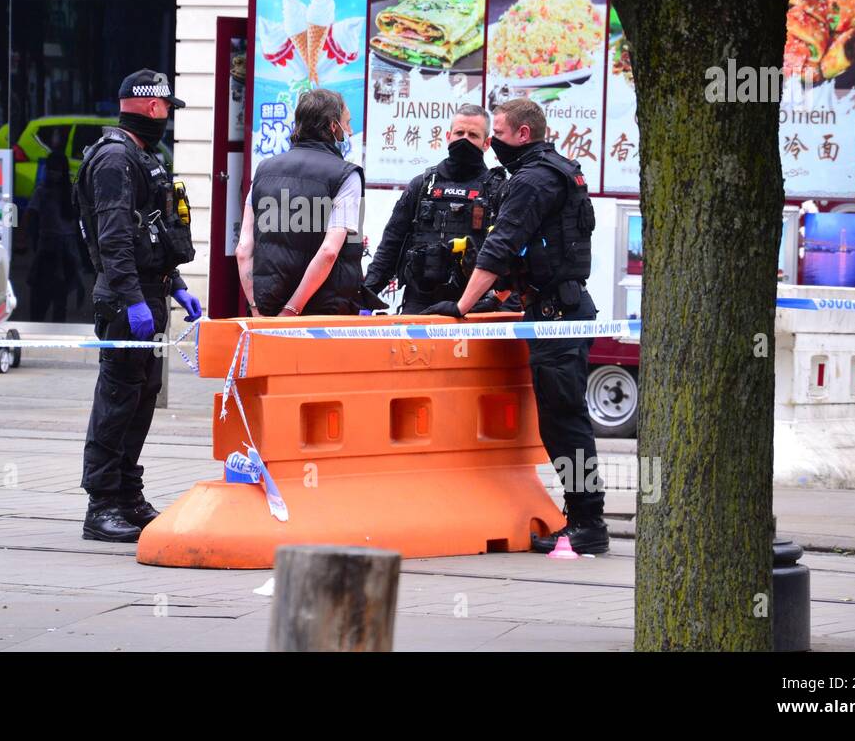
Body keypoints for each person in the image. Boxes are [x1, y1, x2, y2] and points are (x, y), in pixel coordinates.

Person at [424, 97, 606, 554]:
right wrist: (497, 298)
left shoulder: (533, 180)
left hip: (558, 317)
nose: (491, 145)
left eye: (497, 135)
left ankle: (588, 522)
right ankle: (583, 518)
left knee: (565, 424)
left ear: (523, 134)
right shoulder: (555, 170)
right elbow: (536, 254)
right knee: (561, 423)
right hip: (555, 309)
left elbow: (502, 246)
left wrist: (462, 306)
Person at [73, 69, 201, 542]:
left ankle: (127, 494)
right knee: (117, 398)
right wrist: (132, 300)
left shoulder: (142, 157)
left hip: (147, 292)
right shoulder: (113, 160)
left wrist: (175, 285)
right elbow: (114, 240)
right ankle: (101, 503)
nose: (169, 116)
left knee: (140, 398)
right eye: (168, 107)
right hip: (127, 297)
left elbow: (151, 231)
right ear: (151, 106)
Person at [365, 104, 506, 314]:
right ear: (448, 136)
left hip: (474, 305)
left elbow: (509, 251)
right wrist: (366, 294)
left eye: (473, 135)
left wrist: (498, 301)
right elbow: (391, 244)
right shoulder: (422, 185)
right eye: (459, 133)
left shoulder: (497, 189)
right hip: (420, 299)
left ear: (486, 143)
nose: (464, 139)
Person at [236, 89, 364, 317]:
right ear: (333, 126)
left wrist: (257, 308)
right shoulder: (346, 175)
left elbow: (244, 249)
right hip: (324, 315)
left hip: (266, 311)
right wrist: (291, 310)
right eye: (347, 123)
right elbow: (329, 252)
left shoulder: (263, 171)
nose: (351, 132)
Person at [27, 150, 82, 323]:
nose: (54, 173)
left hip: (66, 249)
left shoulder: (71, 191)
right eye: (51, 169)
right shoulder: (42, 191)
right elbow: (30, 216)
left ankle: (57, 326)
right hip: (47, 246)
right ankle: (37, 325)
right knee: (41, 292)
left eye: (57, 169)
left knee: (61, 294)